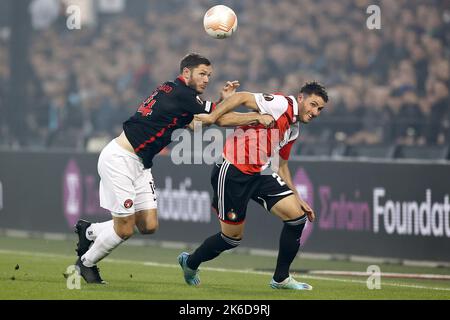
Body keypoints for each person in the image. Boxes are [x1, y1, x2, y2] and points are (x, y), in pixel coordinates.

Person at [74, 53, 274, 283]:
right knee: (125, 229)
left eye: (209, 75)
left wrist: (221, 105)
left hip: (141, 164)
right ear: (186, 73)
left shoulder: (174, 91)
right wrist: (256, 117)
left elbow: (197, 122)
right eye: (202, 74)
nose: (206, 79)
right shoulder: (182, 94)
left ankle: (89, 231)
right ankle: (85, 264)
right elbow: (215, 118)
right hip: (120, 159)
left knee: (148, 225)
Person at [178, 81, 328, 290]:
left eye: (319, 109)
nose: (315, 112)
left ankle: (281, 279)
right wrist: (212, 117)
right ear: (301, 98)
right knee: (231, 239)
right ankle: (190, 262)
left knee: (297, 218)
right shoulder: (281, 104)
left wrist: (298, 197)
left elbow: (282, 164)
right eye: (313, 105)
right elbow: (242, 97)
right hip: (232, 171)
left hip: (261, 172)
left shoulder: (294, 129)